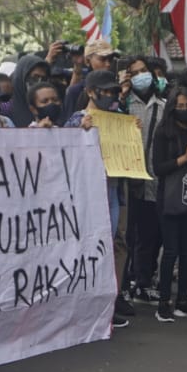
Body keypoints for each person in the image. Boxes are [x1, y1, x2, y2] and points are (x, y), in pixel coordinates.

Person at [66, 69, 139, 327]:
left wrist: (132, 133)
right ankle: (88, 305)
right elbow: (65, 154)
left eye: (113, 92)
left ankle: (109, 301)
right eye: (104, 92)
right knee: (91, 246)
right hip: (90, 194)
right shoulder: (78, 120)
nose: (109, 96)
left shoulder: (118, 119)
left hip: (114, 191)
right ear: (90, 92)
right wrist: (79, 132)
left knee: (113, 244)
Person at [150, 85, 187, 323]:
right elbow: (158, 168)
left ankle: (183, 299)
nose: (183, 110)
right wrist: (185, 158)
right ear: (172, 108)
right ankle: (164, 302)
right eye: (179, 106)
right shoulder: (163, 132)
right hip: (169, 199)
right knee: (171, 251)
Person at [126, 55, 167, 304]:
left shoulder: (162, 106)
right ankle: (133, 280)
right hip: (130, 180)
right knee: (132, 236)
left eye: (143, 71)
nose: (140, 76)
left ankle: (145, 279)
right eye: (134, 72)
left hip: (155, 179)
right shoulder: (123, 106)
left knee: (151, 235)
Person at [62, 39, 118, 120]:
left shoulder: (117, 88)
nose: (108, 64)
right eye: (102, 59)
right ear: (88, 61)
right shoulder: (76, 90)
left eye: (110, 59)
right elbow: (68, 127)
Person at [8, 54, 51, 128]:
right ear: (22, 76)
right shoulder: (5, 108)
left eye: (43, 79)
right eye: (35, 77)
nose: (39, 83)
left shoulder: (48, 107)